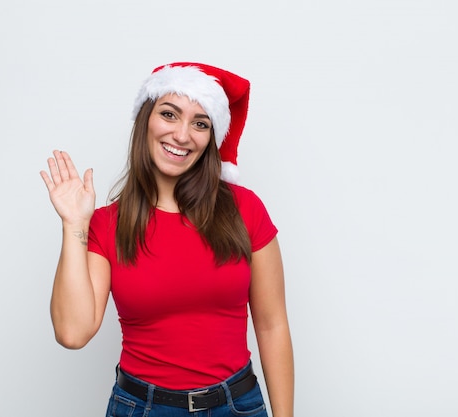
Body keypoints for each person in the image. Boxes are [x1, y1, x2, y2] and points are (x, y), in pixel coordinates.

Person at [40, 62, 294, 416]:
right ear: (146, 119)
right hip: (143, 407)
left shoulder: (244, 209)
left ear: (211, 138)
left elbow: (272, 324)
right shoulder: (105, 224)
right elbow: (73, 332)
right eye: (170, 114)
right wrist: (73, 224)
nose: (182, 135)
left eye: (200, 123)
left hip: (236, 405)